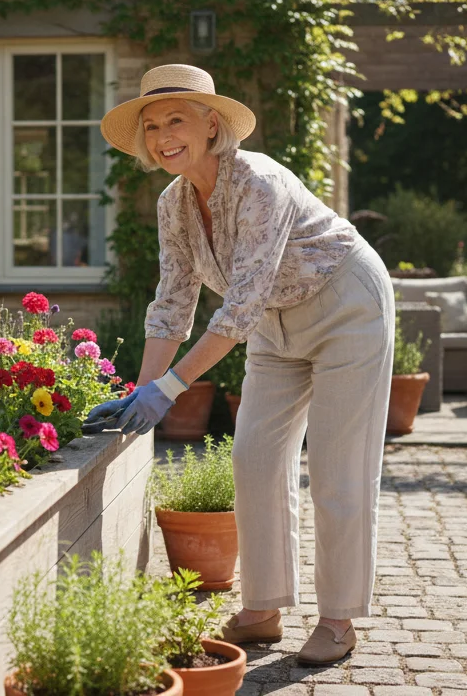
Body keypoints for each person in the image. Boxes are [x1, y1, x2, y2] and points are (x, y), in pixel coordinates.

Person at [84, 64, 395, 665]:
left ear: (211, 124)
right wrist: (141, 392)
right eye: (151, 125)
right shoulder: (173, 202)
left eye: (176, 118)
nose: (162, 134)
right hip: (275, 325)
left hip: (344, 307)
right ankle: (264, 607)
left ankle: (339, 620)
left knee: (338, 469)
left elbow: (239, 306)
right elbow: (173, 303)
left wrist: (170, 389)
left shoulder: (260, 184)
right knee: (253, 458)